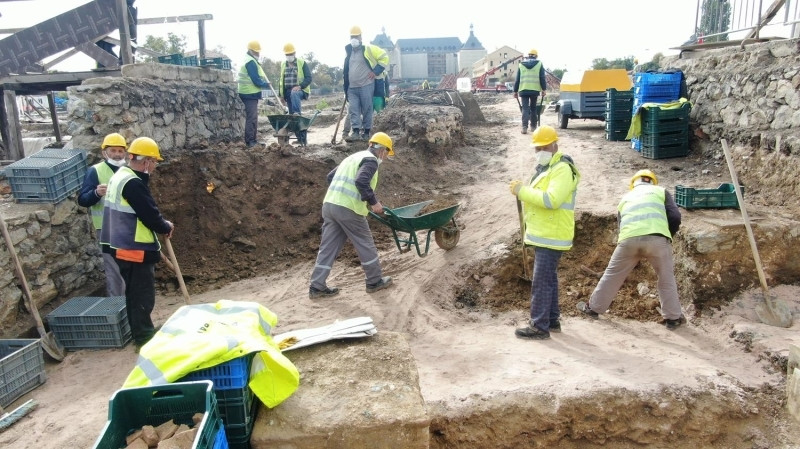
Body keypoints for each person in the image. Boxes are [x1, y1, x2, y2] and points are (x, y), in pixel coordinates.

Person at [577, 169, 686, 330]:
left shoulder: (625, 198)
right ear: (652, 181)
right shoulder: (661, 191)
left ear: (633, 184)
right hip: (657, 240)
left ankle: (593, 309)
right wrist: (667, 236)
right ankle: (673, 318)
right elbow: (675, 217)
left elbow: (621, 225)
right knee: (666, 278)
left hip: (628, 240)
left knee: (612, 275)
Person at [100, 137, 174, 348]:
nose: (155, 167)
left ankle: (141, 332)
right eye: (155, 162)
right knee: (142, 295)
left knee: (133, 294)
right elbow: (149, 214)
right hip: (134, 248)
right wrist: (165, 226)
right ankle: (144, 338)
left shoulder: (120, 175)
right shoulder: (133, 183)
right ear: (147, 161)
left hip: (119, 245)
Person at [509, 125, 580, 340]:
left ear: (553, 144)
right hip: (545, 233)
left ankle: (539, 326)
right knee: (548, 278)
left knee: (541, 281)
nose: (539, 151)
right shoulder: (547, 168)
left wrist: (522, 192)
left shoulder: (561, 169)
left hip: (553, 234)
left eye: (542, 147)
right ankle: (552, 319)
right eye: (536, 148)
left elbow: (551, 200)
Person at [309, 132, 395, 298]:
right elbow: (361, 181)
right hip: (348, 209)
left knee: (327, 247)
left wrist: (340, 194)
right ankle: (374, 281)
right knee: (365, 243)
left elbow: (330, 177)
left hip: (329, 205)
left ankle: (317, 286)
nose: (384, 157)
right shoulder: (370, 160)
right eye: (386, 153)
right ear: (382, 150)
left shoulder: (352, 158)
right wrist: (374, 202)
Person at [77, 132, 128, 297]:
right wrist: (96, 193)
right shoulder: (95, 171)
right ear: (104, 152)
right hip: (107, 228)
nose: (117, 154)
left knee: (130, 267)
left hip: (129, 227)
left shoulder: (129, 171)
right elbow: (83, 200)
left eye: (120, 151)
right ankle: (118, 305)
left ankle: (131, 303)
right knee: (114, 269)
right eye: (113, 150)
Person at [343, 25, 389, 142]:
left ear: (360, 37)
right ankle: (356, 131)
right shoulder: (349, 53)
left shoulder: (368, 49)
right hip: (352, 88)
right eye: (352, 36)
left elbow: (384, 57)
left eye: (356, 36)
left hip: (366, 85)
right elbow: (346, 71)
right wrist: (345, 88)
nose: (354, 38)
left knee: (367, 109)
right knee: (353, 110)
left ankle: (366, 132)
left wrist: (375, 71)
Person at [238, 40, 271, 147]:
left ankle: (253, 140)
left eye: (258, 52)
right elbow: (256, 80)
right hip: (249, 93)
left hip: (249, 93)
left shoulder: (250, 60)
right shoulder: (251, 62)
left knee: (253, 117)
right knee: (252, 117)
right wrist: (265, 84)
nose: (258, 54)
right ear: (250, 51)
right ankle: (250, 141)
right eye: (256, 52)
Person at [513, 49, 547, 135]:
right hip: (534, 90)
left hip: (523, 90)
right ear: (536, 56)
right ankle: (533, 127)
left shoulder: (521, 64)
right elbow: (542, 78)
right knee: (533, 108)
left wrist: (515, 91)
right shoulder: (539, 64)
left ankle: (524, 127)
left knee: (525, 108)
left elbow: (517, 79)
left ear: (528, 56)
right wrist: (544, 89)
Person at [279, 43, 312, 115]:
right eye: (287, 54)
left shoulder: (301, 62)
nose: (289, 56)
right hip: (288, 92)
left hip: (301, 90)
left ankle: (297, 114)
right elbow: (281, 81)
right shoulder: (283, 64)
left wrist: (300, 86)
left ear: (294, 53)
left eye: (290, 54)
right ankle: (294, 122)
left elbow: (309, 78)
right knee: (291, 114)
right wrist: (281, 95)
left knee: (294, 93)